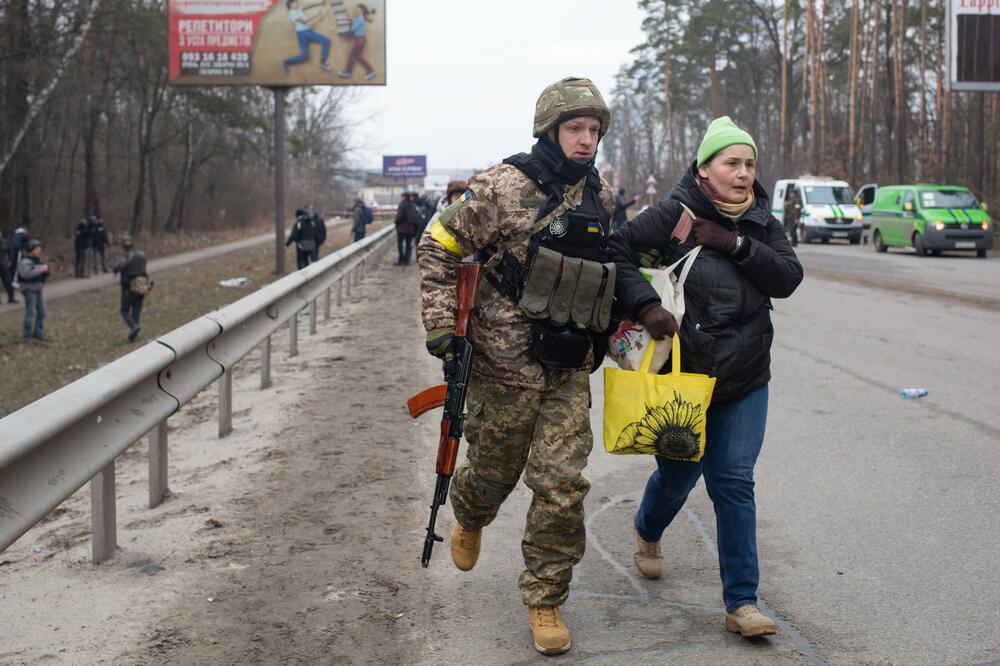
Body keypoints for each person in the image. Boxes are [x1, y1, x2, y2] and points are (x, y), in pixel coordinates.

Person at [417, 76, 618, 655]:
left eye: (594, 130)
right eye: (575, 128)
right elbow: (439, 245)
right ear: (550, 130)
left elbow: (608, 264)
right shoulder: (503, 186)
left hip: (569, 368)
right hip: (504, 368)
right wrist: (439, 327)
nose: (586, 140)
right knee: (493, 474)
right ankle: (471, 513)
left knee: (562, 486)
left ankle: (546, 599)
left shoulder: (598, 195)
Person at [608, 116, 803, 639]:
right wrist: (646, 305)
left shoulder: (762, 221)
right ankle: (647, 529)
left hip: (745, 379)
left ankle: (742, 603)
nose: (743, 173)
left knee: (733, 482)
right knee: (677, 476)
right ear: (705, 169)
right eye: (731, 163)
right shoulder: (674, 215)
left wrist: (735, 244)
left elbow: (788, 279)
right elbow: (616, 252)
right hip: (683, 379)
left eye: (749, 163)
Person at [280, 0, 333, 76]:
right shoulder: (291, 13)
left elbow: (308, 5)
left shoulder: (298, 9)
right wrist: (317, 15)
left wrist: (319, 3)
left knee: (326, 41)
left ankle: (322, 62)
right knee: (305, 56)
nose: (297, 3)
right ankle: (285, 62)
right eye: (295, 2)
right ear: (291, 4)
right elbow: (304, 21)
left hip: (308, 31)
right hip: (302, 33)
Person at [112, 236, 150, 342]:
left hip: (129, 287)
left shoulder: (125, 255)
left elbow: (121, 265)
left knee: (124, 309)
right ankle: (134, 335)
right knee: (136, 310)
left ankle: (133, 326)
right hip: (141, 286)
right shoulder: (142, 255)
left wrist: (115, 269)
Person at [17, 239, 49, 340]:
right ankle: (27, 335)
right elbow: (26, 274)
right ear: (31, 249)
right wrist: (41, 269)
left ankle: (38, 333)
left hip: (39, 288)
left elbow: (44, 273)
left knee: (42, 311)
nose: (39, 250)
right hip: (29, 289)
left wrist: (46, 271)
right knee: (30, 312)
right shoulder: (25, 261)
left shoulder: (39, 260)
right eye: (37, 248)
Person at [337, 3, 376, 80]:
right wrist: (347, 21)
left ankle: (348, 72)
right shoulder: (357, 18)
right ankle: (371, 70)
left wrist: (341, 29)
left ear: (362, 10)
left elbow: (352, 30)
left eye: (358, 8)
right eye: (356, 8)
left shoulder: (360, 19)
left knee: (351, 54)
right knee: (359, 57)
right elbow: (353, 26)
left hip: (360, 40)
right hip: (360, 40)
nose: (356, 9)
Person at [393, 192, 418, 265]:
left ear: (404, 197)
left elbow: (399, 217)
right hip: (410, 229)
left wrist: (396, 224)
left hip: (401, 229)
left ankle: (401, 260)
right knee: (408, 244)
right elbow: (416, 218)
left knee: (400, 245)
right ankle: (407, 260)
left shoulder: (402, 205)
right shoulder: (413, 205)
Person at [0, 230, 17, 304]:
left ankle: (11, 298)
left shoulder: (5, 242)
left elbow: (11, 252)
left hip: (4, 265)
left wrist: (10, 261)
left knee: (8, 282)